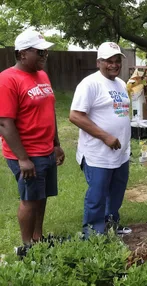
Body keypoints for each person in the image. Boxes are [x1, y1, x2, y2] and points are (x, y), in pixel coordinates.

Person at [0, 30, 65, 254]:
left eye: (45, 51)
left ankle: (38, 238)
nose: (44, 55)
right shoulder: (8, 79)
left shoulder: (42, 76)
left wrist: (56, 143)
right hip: (27, 153)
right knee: (30, 199)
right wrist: (23, 159)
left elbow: (50, 110)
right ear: (22, 53)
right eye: (39, 51)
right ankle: (26, 247)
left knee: (41, 196)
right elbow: (4, 123)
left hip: (46, 149)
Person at [69, 42, 132, 237]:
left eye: (117, 61)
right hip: (98, 153)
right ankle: (93, 234)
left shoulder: (121, 84)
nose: (114, 65)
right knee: (97, 196)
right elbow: (75, 115)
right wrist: (105, 136)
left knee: (116, 193)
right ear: (99, 62)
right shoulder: (90, 84)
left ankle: (111, 225)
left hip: (120, 152)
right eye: (108, 61)